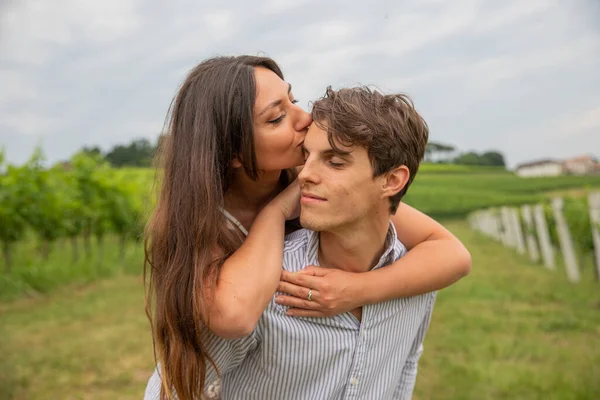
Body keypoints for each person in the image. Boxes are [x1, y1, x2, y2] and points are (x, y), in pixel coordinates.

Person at [144, 55, 471, 400]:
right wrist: (275, 213)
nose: (305, 118)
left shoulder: (317, 187)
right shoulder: (204, 222)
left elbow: (452, 253)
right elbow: (233, 316)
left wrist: (357, 289)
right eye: (276, 117)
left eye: (293, 100)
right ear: (234, 154)